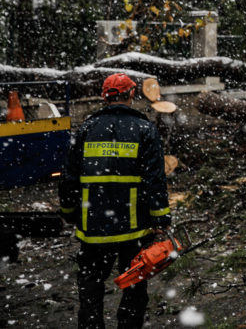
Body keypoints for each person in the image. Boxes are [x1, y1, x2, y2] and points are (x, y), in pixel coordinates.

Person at [58, 73, 171, 329]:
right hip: (134, 231)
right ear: (131, 94)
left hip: (93, 230)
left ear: (104, 96)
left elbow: (68, 178)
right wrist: (161, 218)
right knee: (133, 290)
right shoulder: (144, 129)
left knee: (90, 291)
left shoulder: (85, 129)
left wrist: (68, 211)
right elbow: (155, 179)